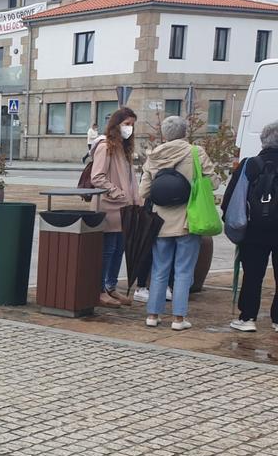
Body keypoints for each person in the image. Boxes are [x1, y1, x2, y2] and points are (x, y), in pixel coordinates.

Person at [139, 116, 213, 330]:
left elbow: (143, 191)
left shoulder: (153, 156)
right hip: (188, 221)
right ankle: (179, 319)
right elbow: (212, 181)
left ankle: (153, 315)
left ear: (164, 134)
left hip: (161, 222)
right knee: (183, 270)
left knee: (159, 268)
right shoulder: (196, 152)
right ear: (185, 132)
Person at [222, 120, 278, 332]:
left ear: (263, 140)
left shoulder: (249, 165)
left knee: (253, 274)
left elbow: (231, 201)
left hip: (254, 230)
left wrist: (236, 226)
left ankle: (248, 318)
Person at [89, 107, 142, 308]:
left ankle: (111, 286)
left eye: (132, 125)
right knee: (108, 249)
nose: (129, 128)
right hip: (109, 207)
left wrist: (136, 199)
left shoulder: (124, 148)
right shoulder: (106, 146)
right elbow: (97, 177)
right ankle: (100, 289)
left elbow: (131, 179)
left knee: (119, 248)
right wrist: (116, 191)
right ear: (117, 124)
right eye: (127, 124)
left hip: (125, 209)